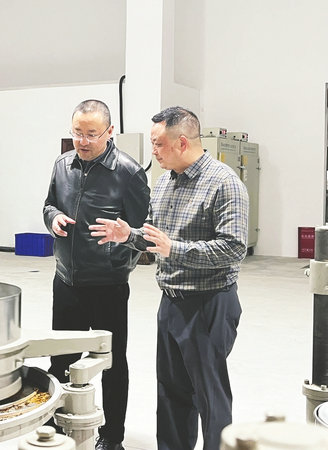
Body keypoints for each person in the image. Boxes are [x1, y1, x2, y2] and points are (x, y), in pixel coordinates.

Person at [89, 106, 248, 450]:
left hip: (209, 303)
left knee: (210, 396)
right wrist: (128, 235)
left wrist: (175, 249)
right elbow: (154, 239)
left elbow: (234, 248)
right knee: (171, 393)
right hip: (171, 303)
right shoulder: (164, 183)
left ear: (182, 142)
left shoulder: (224, 183)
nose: (154, 152)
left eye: (158, 144)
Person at [43, 99, 150, 450]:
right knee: (61, 361)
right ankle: (57, 428)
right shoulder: (62, 165)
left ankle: (113, 437)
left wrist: (124, 239)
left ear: (109, 132)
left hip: (108, 285)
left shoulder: (129, 173)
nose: (83, 141)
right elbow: (49, 204)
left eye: (91, 134)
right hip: (66, 282)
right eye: (77, 133)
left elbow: (145, 235)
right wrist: (53, 218)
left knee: (112, 364)